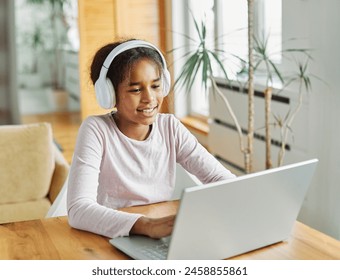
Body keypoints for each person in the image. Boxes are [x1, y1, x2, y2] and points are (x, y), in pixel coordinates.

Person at [67, 39, 236, 239]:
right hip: (111, 235)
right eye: (136, 89)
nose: (150, 98)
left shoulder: (170, 127)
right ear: (109, 94)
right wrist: (146, 225)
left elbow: (222, 181)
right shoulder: (96, 130)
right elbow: (79, 210)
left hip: (158, 231)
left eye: (156, 86)